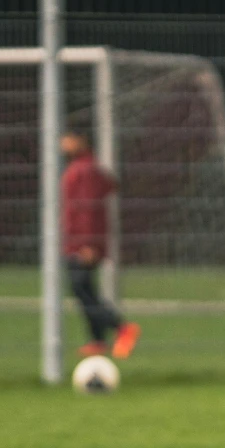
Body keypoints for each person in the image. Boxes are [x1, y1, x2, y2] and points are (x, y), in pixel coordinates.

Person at [61, 129, 139, 360]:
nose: (62, 143)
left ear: (80, 139)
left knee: (82, 288)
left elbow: (88, 210)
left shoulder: (84, 169)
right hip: (77, 241)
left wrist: (87, 244)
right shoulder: (87, 167)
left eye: (66, 138)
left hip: (81, 243)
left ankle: (121, 328)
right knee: (85, 289)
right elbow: (110, 185)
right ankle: (97, 340)